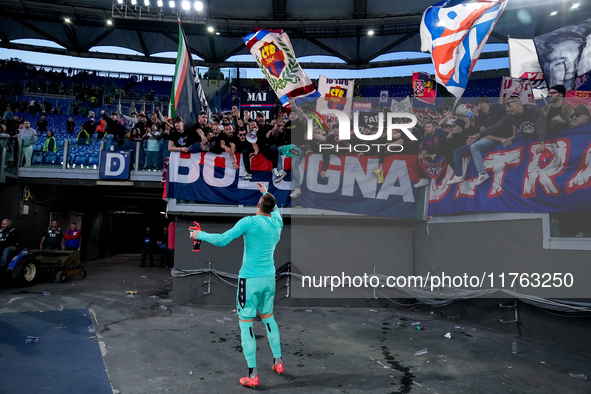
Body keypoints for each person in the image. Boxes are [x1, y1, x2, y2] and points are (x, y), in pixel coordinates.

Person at [190, 183, 284, 388]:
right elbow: (274, 207)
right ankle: (278, 363)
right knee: (269, 319)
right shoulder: (277, 223)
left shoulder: (249, 222)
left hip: (249, 281)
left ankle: (253, 376)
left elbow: (223, 240)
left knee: (246, 324)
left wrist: (200, 235)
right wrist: (266, 192)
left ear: (258, 204)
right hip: (269, 279)